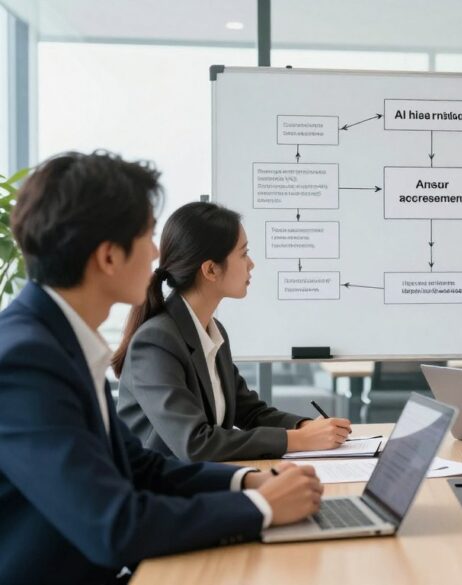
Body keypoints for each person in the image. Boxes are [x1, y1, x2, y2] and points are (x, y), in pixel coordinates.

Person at [0, 151, 324, 584]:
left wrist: (249, 484)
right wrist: (261, 508)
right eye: (148, 236)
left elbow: (141, 468)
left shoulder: (60, 340)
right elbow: (114, 526)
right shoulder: (25, 360)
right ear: (109, 257)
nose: (157, 253)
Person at [114, 202, 351, 462]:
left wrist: (304, 427)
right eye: (243, 253)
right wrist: (298, 441)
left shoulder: (213, 333)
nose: (251, 264)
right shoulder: (156, 342)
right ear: (210, 269)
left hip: (199, 483)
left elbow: (249, 411)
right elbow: (195, 444)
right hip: (162, 492)